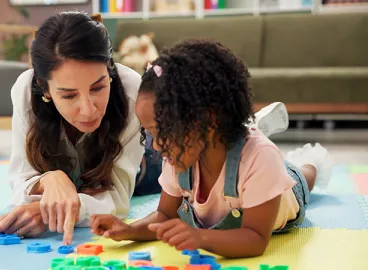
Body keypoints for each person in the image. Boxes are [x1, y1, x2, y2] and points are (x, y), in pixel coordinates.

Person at [0, 11, 289, 245]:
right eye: (68, 95)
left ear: (110, 71)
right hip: (95, 176)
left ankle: (245, 130)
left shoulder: (136, 95)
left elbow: (118, 200)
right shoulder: (24, 91)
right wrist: (52, 180)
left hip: (143, 162)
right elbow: (20, 184)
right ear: (44, 88)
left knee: (187, 153)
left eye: (98, 87)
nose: (89, 109)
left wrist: (53, 210)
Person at [89, 39, 333, 258]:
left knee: (302, 176)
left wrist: (201, 238)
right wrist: (130, 230)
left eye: (162, 132)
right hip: (235, 159)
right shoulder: (178, 157)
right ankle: (251, 127)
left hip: (277, 193)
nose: (157, 145)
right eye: (150, 134)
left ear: (209, 120)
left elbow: (255, 239)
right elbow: (165, 215)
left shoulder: (261, 160)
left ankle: (310, 159)